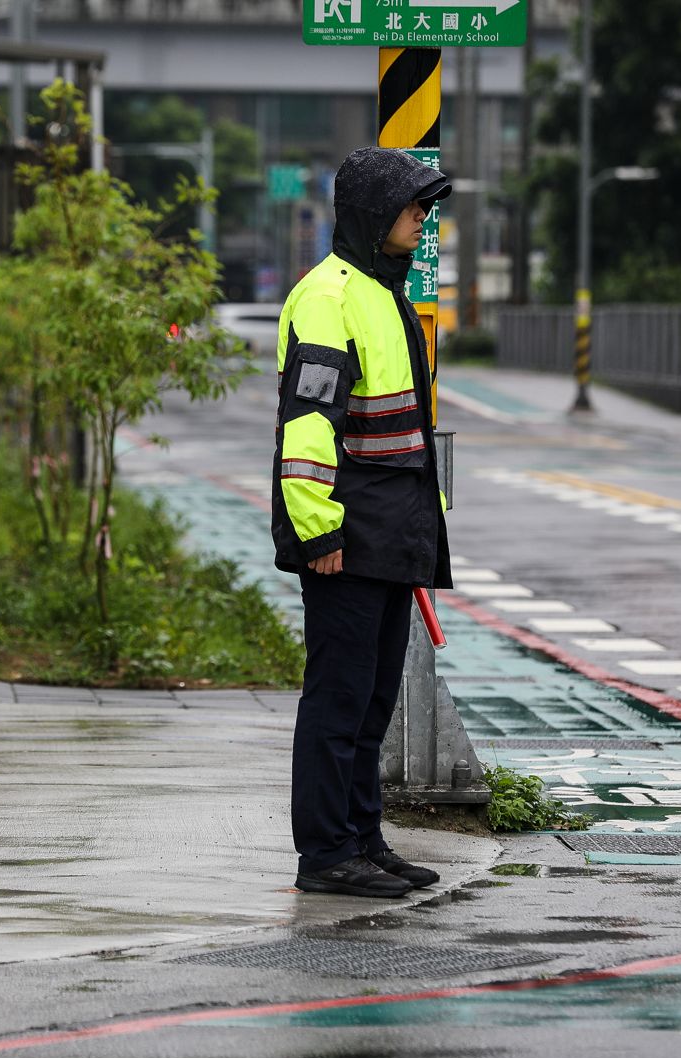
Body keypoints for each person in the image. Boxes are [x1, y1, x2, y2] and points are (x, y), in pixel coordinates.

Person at [269, 147, 454, 898]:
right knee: (338, 699)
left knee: (372, 700)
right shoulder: (329, 298)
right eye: (414, 208)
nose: (423, 219)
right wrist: (318, 534)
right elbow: (308, 427)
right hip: (346, 538)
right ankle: (324, 855)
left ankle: (363, 838)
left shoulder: (384, 292)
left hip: (390, 534)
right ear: (377, 214)